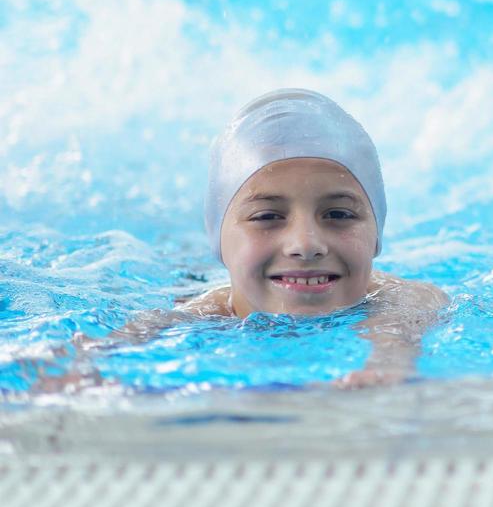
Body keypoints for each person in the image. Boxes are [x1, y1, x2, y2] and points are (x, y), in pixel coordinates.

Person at [35, 89, 447, 390]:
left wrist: (387, 369)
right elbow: (117, 344)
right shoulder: (203, 314)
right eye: (267, 217)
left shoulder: (398, 298)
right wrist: (78, 364)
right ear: (220, 241)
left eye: (338, 214)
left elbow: (398, 337)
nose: (306, 243)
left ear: (377, 234)